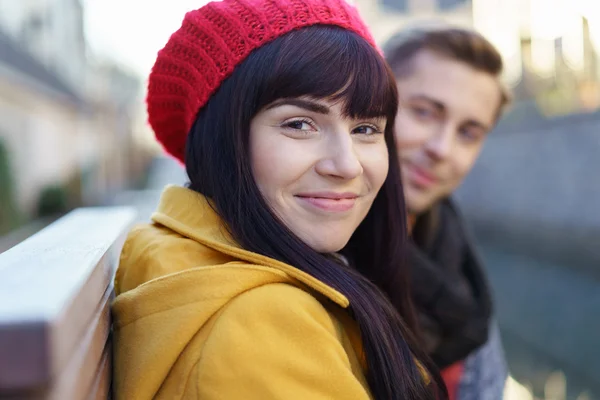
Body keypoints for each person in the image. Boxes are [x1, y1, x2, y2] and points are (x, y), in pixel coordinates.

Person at [111, 1, 447, 399]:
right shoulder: (260, 325)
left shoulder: (182, 256)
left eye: (366, 128)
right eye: (300, 124)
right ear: (222, 141)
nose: (347, 165)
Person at [383, 26, 511, 400]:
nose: (442, 148)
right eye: (424, 112)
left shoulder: (460, 274)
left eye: (468, 133)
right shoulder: (313, 250)